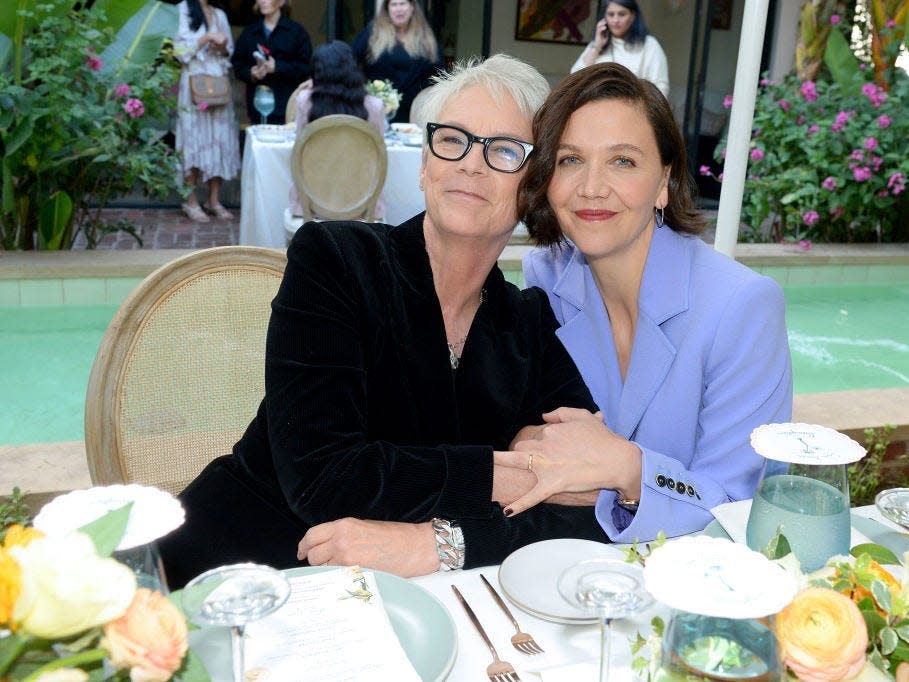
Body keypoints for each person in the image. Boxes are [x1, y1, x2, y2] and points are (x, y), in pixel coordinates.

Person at [159, 54, 608, 589]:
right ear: (424, 165)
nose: (471, 163)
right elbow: (323, 475)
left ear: (533, 188)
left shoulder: (531, 324)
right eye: (453, 139)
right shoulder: (336, 262)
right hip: (238, 564)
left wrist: (441, 542)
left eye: (505, 151)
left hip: (405, 596)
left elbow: (591, 505)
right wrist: (503, 473)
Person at [496, 62, 792, 542]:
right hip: (578, 562)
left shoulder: (741, 307)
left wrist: (627, 469)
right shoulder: (546, 276)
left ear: (663, 183)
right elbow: (533, 439)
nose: (592, 186)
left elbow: (739, 508)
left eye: (623, 161)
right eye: (571, 159)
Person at [288, 41, 387, 219]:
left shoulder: (305, 101)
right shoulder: (375, 105)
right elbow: (378, 159)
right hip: (361, 204)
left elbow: (299, 153)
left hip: (313, 203)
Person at [174, 0, 241, 222]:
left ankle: (214, 200)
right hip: (194, 84)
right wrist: (207, 37)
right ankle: (190, 200)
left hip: (218, 82)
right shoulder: (183, 9)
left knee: (220, 140)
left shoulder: (219, 13)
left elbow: (228, 51)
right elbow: (180, 52)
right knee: (193, 140)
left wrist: (220, 46)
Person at [352, 0, 443, 123]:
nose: (398, 9)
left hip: (415, 113)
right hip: (378, 112)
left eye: (402, 4)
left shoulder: (426, 37)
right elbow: (351, 62)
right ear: (387, 9)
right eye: (394, 4)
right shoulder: (372, 33)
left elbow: (439, 73)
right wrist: (363, 91)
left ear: (412, 7)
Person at [232, 0, 312, 125]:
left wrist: (277, 67)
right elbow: (237, 65)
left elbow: (306, 67)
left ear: (281, 2)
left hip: (287, 105)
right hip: (258, 106)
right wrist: (251, 73)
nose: (263, 1)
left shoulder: (296, 32)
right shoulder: (249, 33)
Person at [571, 0, 669, 98]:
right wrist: (597, 46)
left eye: (621, 14)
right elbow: (575, 79)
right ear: (604, 17)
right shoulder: (598, 43)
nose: (615, 20)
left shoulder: (649, 45)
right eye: (611, 14)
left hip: (634, 110)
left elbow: (661, 87)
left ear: (633, 16)